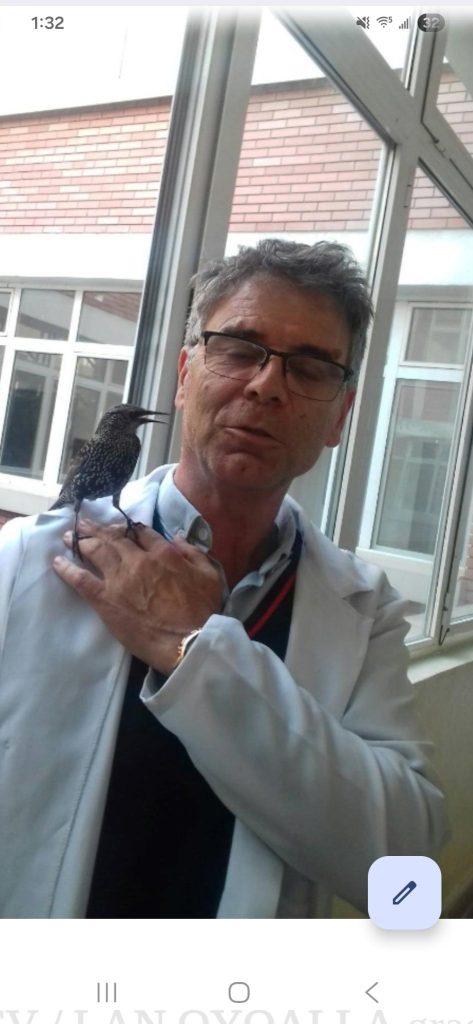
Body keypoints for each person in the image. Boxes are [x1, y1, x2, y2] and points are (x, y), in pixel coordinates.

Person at [0, 239, 446, 919]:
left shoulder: (367, 613)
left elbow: (405, 874)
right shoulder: (27, 562)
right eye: (237, 348)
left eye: (310, 367)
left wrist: (193, 647)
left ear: (339, 417)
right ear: (184, 377)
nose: (266, 385)